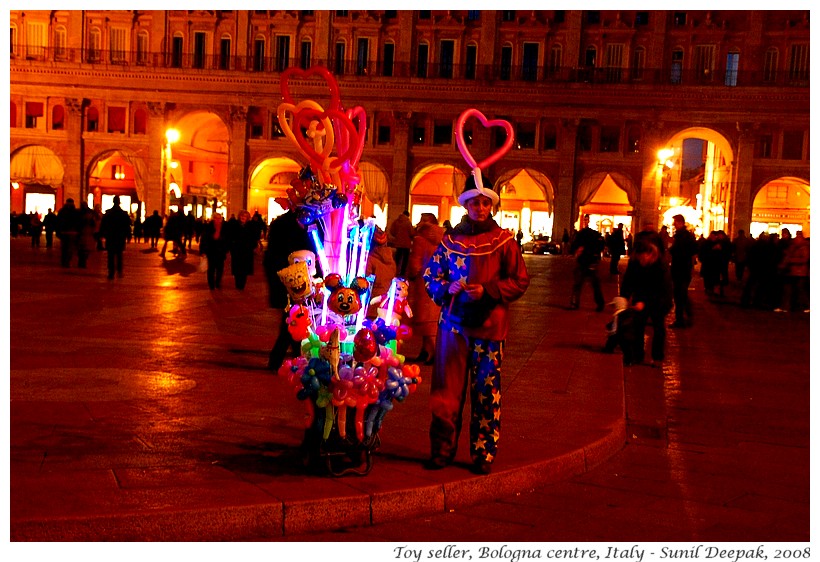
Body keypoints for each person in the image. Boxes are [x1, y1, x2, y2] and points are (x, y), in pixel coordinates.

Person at [422, 173, 530, 475]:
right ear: (466, 205)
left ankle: (483, 453)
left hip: (490, 329)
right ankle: (442, 450)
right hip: (453, 328)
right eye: (474, 203)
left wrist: (489, 290)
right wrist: (446, 288)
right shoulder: (449, 241)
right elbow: (431, 276)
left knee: (486, 391)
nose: (479, 208)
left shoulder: (505, 241)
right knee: (446, 391)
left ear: (491, 206)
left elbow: (520, 280)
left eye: (484, 203)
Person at [263, 207, 316, 372]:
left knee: (294, 320)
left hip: (298, 281)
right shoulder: (287, 229)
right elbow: (275, 259)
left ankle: (289, 359)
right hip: (293, 282)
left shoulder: (295, 226)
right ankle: (283, 361)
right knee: (292, 320)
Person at [620, 237, 673, 368]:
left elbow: (661, 289)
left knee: (658, 328)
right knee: (638, 325)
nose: (641, 260)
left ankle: (657, 357)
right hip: (641, 296)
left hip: (659, 300)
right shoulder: (635, 262)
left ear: (650, 254)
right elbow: (629, 279)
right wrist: (624, 297)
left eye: (643, 258)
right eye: (639, 258)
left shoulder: (661, 266)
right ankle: (637, 355)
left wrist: (645, 303)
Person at [407, 212, 445, 365]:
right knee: (432, 320)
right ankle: (426, 350)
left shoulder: (419, 239)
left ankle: (432, 352)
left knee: (424, 319)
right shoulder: (442, 239)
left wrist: (412, 274)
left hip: (423, 283)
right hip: (438, 282)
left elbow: (415, 263)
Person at [569, 214, 605, 311]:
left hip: (584, 261)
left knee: (579, 284)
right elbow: (601, 245)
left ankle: (574, 303)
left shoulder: (582, 234)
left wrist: (578, 251)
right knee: (594, 284)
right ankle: (600, 304)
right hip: (590, 261)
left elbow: (574, 246)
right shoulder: (593, 234)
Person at [668, 214, 698, 328]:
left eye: (675, 222)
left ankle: (681, 318)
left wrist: (691, 268)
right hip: (681, 268)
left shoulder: (683, 236)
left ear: (680, 222)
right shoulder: (685, 235)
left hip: (681, 268)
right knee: (681, 293)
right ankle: (687, 315)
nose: (673, 224)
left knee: (679, 294)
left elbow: (692, 252)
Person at [365, 227, 397, 320]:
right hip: (385, 303)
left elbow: (365, 281)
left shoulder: (370, 259)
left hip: (371, 304)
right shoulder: (391, 259)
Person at [775, 230, 809, 313]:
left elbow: (804, 259)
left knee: (798, 290)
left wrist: (791, 260)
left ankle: (804, 306)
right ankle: (788, 306)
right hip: (794, 271)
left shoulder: (803, 247)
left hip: (799, 272)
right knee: (790, 290)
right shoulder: (795, 246)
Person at [99, 195, 132, 279]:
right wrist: (128, 235)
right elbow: (127, 226)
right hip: (120, 237)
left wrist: (101, 234)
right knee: (119, 254)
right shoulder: (123, 214)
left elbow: (103, 225)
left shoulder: (108, 213)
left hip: (110, 236)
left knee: (110, 255)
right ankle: (119, 271)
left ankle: (111, 271)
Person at [227, 209, 258, 290]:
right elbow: (230, 236)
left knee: (244, 269)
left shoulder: (250, 226)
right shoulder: (235, 225)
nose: (243, 217)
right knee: (237, 268)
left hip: (247, 250)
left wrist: (253, 246)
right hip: (237, 250)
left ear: (247, 217)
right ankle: (238, 283)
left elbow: (254, 237)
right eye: (241, 216)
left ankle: (242, 284)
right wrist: (232, 246)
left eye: (245, 216)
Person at [199, 213, 229, 290]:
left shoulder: (225, 227)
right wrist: (202, 250)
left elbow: (227, 239)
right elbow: (204, 239)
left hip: (221, 251)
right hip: (211, 251)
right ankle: (211, 284)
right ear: (213, 218)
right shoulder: (208, 227)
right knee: (211, 268)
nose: (218, 220)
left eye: (219, 218)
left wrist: (226, 249)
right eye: (216, 218)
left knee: (220, 268)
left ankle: (218, 282)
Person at [388, 210, 414, 277]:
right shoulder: (408, 223)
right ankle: (402, 273)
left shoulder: (396, 222)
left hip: (398, 243)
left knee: (397, 258)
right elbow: (412, 233)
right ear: (408, 215)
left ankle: (395, 271)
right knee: (405, 260)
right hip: (406, 244)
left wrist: (397, 236)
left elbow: (392, 231)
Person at [56, 198, 80, 267]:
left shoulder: (62, 211)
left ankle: (65, 261)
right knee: (68, 248)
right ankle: (66, 261)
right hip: (71, 232)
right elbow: (78, 222)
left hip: (65, 232)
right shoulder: (75, 212)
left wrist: (58, 231)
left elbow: (58, 222)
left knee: (65, 248)